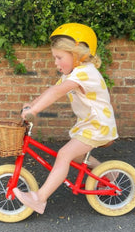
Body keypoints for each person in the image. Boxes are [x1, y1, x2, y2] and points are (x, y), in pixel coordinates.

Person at [13, 23, 118, 214]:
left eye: (59, 57)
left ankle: (40, 198)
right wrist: (31, 105)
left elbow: (56, 93)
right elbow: (51, 90)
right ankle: (108, 173)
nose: (56, 62)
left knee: (64, 155)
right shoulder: (75, 73)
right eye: (55, 58)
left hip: (97, 126)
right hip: (90, 125)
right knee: (77, 156)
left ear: (77, 55)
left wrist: (34, 110)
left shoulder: (85, 73)